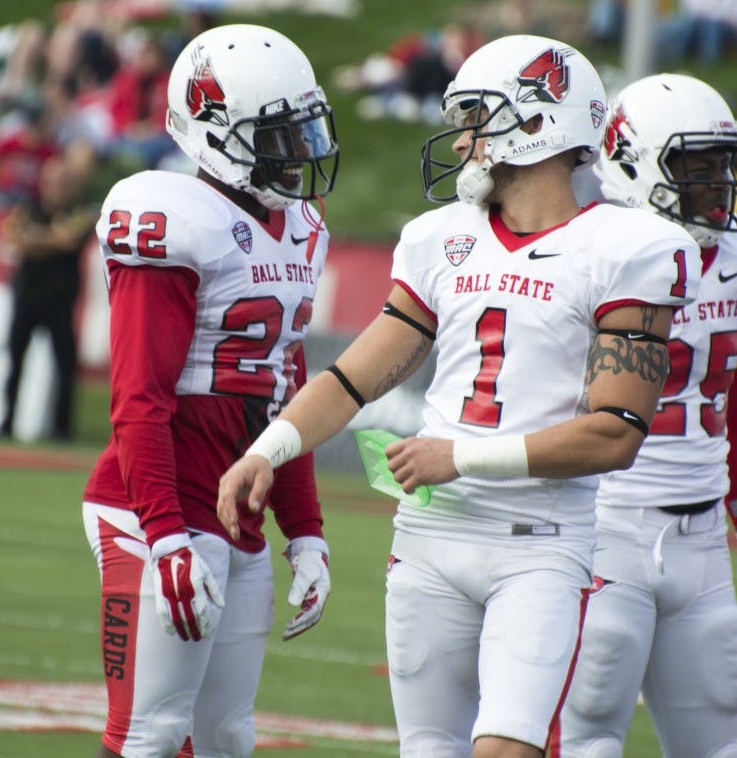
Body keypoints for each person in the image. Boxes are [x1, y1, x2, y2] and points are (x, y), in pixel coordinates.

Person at [218, 35, 701, 758]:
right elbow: (353, 378)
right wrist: (267, 450)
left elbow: (615, 434)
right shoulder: (442, 238)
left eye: (478, 116)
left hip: (538, 545)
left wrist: (463, 458)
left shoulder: (625, 246)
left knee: (506, 749)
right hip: (430, 542)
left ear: (537, 122)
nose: (465, 138)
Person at [80, 23, 339, 757]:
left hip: (237, 506)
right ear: (215, 131)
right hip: (152, 503)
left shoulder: (302, 229)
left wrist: (307, 529)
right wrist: (163, 534)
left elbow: (286, 399)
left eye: (304, 130)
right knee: (149, 734)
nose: (300, 154)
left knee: (225, 737)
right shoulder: (172, 218)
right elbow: (139, 400)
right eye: (278, 136)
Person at [557, 73, 737, 758]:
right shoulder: (586, 249)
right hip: (604, 525)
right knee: (587, 732)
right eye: (693, 168)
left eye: (723, 166)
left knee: (716, 742)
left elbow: (733, 408)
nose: (716, 186)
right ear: (631, 164)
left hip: (702, 537)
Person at [0, 154, 93, 441]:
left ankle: (61, 430)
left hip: (60, 299)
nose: (56, 186)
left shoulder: (79, 211)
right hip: (26, 295)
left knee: (64, 367)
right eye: (52, 180)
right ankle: (7, 424)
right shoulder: (27, 208)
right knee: (15, 362)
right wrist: (49, 238)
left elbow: (70, 239)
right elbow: (13, 238)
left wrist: (34, 239)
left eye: (62, 181)